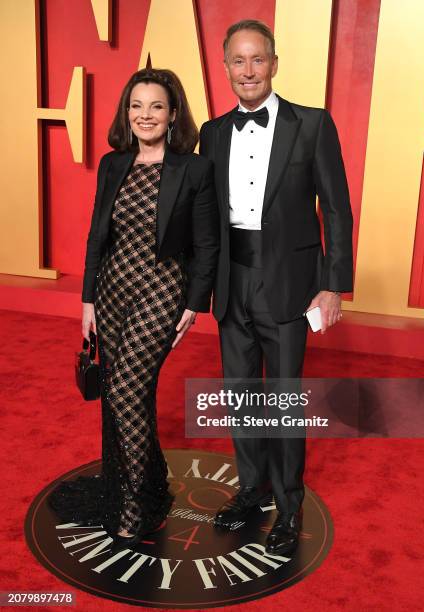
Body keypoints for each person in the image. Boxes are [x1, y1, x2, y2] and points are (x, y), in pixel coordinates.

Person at [48, 68, 219, 553]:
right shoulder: (112, 164)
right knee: (128, 393)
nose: (146, 115)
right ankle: (149, 479)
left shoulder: (195, 169)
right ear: (128, 113)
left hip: (163, 287)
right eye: (137, 106)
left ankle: (136, 505)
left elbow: (207, 245)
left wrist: (193, 304)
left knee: (124, 387)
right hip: (113, 287)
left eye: (156, 107)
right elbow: (97, 236)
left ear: (173, 114)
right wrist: (86, 300)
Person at [199, 20, 353, 556]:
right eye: (238, 61)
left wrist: (333, 286)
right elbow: (206, 219)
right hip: (231, 281)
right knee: (240, 396)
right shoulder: (212, 132)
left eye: (257, 59)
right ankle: (251, 490)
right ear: (225, 68)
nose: (248, 70)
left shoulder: (311, 124)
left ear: (274, 63)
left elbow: (335, 209)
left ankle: (288, 506)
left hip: (289, 282)